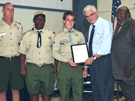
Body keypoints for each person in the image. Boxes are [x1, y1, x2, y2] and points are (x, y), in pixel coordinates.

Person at [19, 11, 57, 101]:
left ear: (45, 21)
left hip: (47, 68)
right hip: (32, 68)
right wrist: (22, 68)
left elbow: (56, 53)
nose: (40, 21)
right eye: (37, 18)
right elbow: (22, 53)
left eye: (42, 19)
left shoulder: (51, 34)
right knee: (33, 93)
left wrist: (55, 67)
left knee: (47, 93)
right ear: (33, 20)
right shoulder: (27, 35)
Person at [53, 11, 88, 101]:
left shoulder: (79, 35)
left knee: (78, 94)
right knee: (64, 95)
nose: (70, 22)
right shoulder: (59, 36)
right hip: (65, 67)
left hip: (78, 68)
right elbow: (55, 53)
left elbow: (85, 53)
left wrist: (86, 68)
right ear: (64, 21)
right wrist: (67, 61)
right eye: (68, 19)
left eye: (72, 20)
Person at [83, 5, 114, 101]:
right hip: (93, 63)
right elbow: (90, 47)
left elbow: (106, 47)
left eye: (91, 14)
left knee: (105, 93)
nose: (89, 18)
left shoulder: (106, 25)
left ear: (96, 13)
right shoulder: (92, 27)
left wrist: (93, 58)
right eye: (87, 16)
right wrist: (86, 67)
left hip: (103, 62)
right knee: (96, 92)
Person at [0, 2, 24, 101]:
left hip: (15, 61)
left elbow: (21, 44)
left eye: (12, 9)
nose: (10, 12)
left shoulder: (18, 26)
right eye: (8, 9)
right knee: (2, 90)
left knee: (16, 89)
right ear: (3, 11)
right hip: (2, 61)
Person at [111, 6, 135, 101]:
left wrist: (129, 66)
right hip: (121, 70)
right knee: (128, 96)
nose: (119, 17)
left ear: (129, 14)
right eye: (118, 15)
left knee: (131, 96)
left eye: (122, 15)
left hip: (128, 71)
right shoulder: (122, 26)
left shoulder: (133, 25)